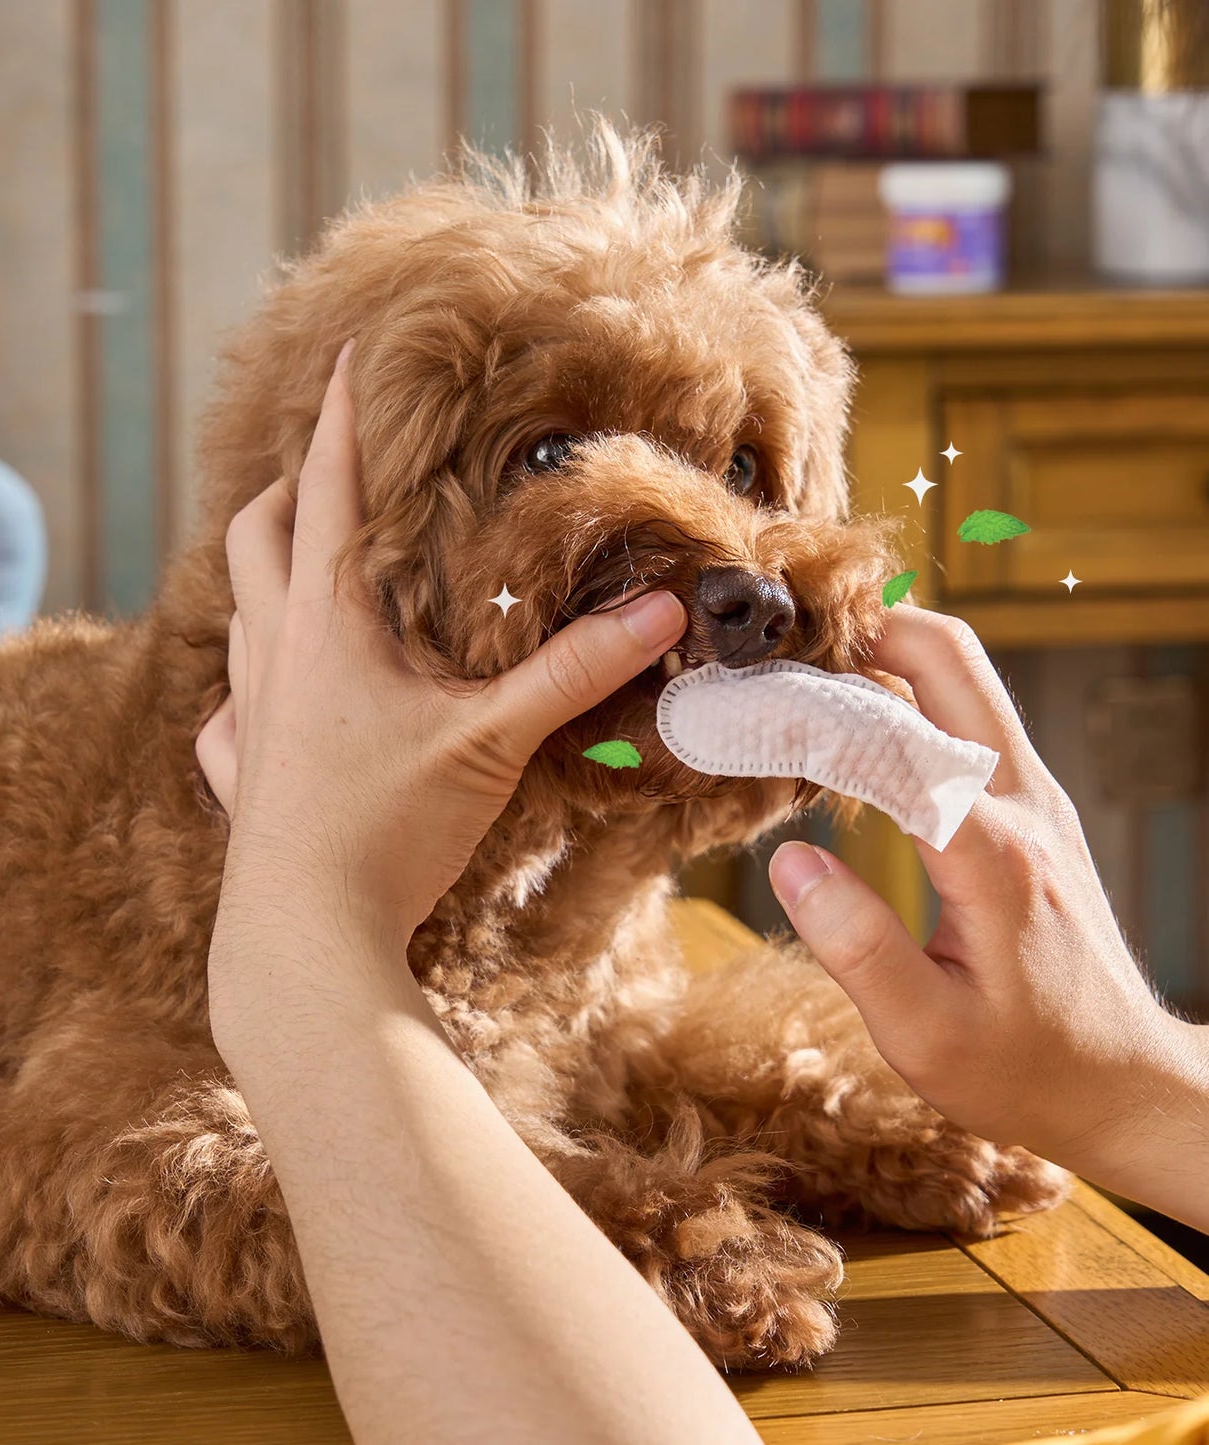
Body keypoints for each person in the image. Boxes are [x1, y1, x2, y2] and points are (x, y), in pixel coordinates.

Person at [194, 341, 1209, 1445]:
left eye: (740, 466)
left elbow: (610, 1044)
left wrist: (306, 925)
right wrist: (1140, 1099)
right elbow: (80, 1175)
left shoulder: (595, 873)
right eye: (549, 450)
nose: (735, 567)